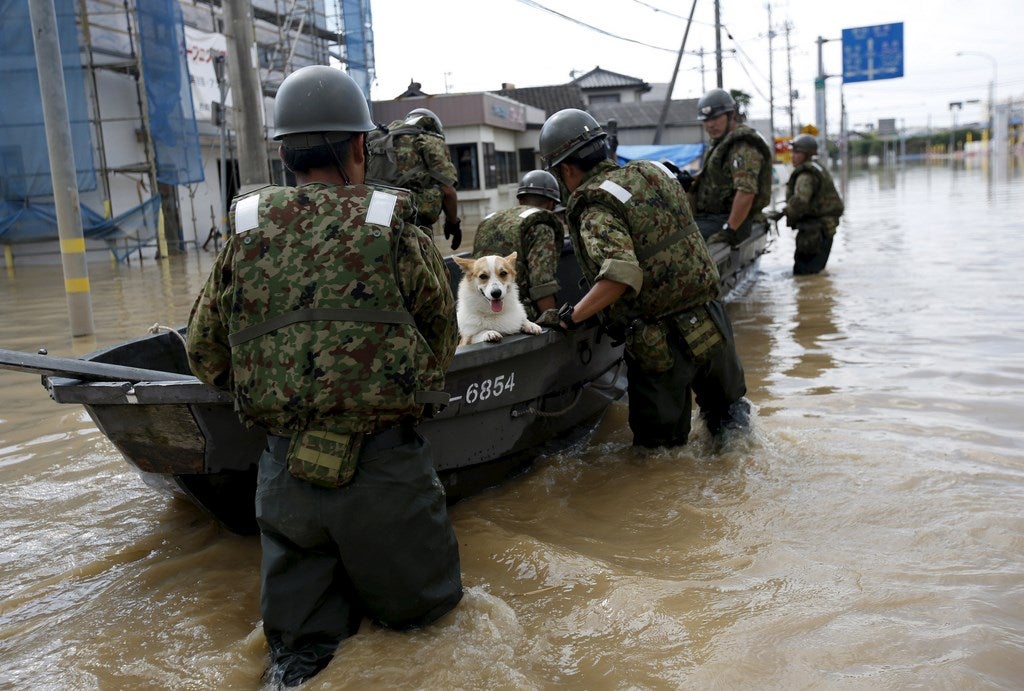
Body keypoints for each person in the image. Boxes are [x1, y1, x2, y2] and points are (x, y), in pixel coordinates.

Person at [184, 65, 462, 687]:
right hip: (386, 474)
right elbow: (440, 344)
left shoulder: (246, 231)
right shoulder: (394, 225)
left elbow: (204, 355)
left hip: (285, 478)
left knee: (298, 656)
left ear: (284, 154)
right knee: (428, 635)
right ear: (362, 146)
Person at [539, 108, 750, 447]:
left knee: (660, 459)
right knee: (732, 426)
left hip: (661, 343)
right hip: (710, 321)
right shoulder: (654, 173)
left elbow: (620, 275)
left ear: (565, 169)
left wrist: (571, 318)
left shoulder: (595, 206)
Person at [472, 169, 565, 319]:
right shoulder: (541, 227)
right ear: (551, 204)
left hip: (477, 311)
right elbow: (542, 285)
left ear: (520, 200)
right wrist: (557, 323)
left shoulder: (489, 221)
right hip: (514, 315)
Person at [367, 107, 463, 250]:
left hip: (377, 212)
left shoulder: (383, 137)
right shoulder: (429, 139)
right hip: (413, 217)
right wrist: (453, 223)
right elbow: (448, 191)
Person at [688, 88, 774, 246]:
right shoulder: (721, 142)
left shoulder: (743, 146)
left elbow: (746, 192)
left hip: (729, 219)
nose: (710, 125)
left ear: (731, 115)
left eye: (715, 118)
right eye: (706, 120)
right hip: (711, 216)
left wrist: (729, 230)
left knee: (680, 240)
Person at [768, 134, 844, 275]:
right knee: (815, 274)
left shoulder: (806, 175)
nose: (793, 156)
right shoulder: (817, 167)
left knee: (804, 275)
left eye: (797, 153)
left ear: (807, 154)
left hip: (814, 232)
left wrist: (782, 213)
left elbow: (801, 201)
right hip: (825, 229)